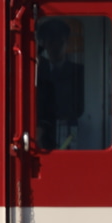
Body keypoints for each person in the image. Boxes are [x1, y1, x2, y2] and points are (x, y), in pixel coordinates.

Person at [36, 18, 85, 149]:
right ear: (44, 44)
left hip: (73, 132)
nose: (56, 47)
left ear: (67, 43)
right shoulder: (36, 73)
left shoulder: (79, 72)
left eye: (60, 42)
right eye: (51, 42)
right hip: (41, 135)